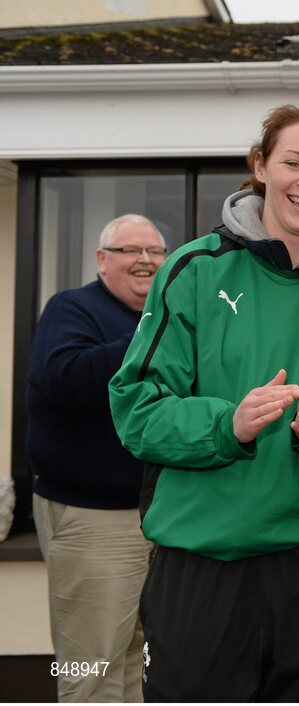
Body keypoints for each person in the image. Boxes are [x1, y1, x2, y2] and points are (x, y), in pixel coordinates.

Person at [109, 103, 299, 702]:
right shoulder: (191, 269)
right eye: (293, 163)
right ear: (261, 166)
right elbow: (136, 407)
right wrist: (228, 424)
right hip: (202, 560)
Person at [27, 213, 166, 702]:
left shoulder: (160, 319)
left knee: (136, 655)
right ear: (102, 260)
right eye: (131, 250)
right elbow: (66, 379)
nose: (146, 260)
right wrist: (145, 343)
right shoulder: (73, 309)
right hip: (92, 519)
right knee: (92, 663)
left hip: (155, 516)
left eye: (155, 251)